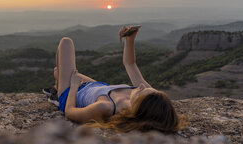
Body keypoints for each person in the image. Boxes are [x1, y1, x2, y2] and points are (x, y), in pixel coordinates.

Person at [51, 26, 183, 133]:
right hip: (96, 87)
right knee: (58, 71)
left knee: (66, 43)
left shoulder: (105, 107)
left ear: (138, 107)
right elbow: (130, 64)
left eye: (142, 91)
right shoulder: (146, 95)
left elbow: (70, 112)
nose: (142, 86)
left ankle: (58, 91)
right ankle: (59, 81)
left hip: (71, 93)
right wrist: (130, 40)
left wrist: (73, 87)